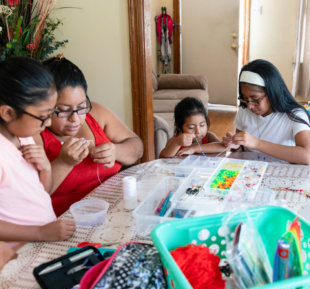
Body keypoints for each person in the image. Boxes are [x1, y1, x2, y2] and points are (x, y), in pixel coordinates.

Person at [34, 56, 143, 217]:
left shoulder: (97, 114)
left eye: (81, 106)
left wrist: (116, 151)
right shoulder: (35, 134)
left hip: (119, 211)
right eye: (64, 110)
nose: (75, 118)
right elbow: (31, 195)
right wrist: (63, 163)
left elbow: (137, 147)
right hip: (69, 223)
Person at [0, 57, 76, 269]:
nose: (49, 123)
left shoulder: (23, 136)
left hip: (40, 243)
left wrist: (46, 168)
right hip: (16, 256)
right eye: (42, 117)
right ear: (7, 112)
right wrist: (40, 232)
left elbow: (41, 192)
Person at [223, 59, 310, 164]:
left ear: (272, 92)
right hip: (251, 173)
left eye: (255, 99)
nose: (249, 106)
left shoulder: (295, 115)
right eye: (245, 98)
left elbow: (307, 156)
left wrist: (257, 144)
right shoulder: (244, 112)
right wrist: (236, 147)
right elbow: (241, 154)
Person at [159, 97, 225, 158]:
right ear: (179, 127)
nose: (198, 131)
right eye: (191, 127)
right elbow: (162, 157)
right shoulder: (176, 140)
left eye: (202, 125)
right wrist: (177, 143)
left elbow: (223, 147)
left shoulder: (208, 137)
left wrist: (193, 149)